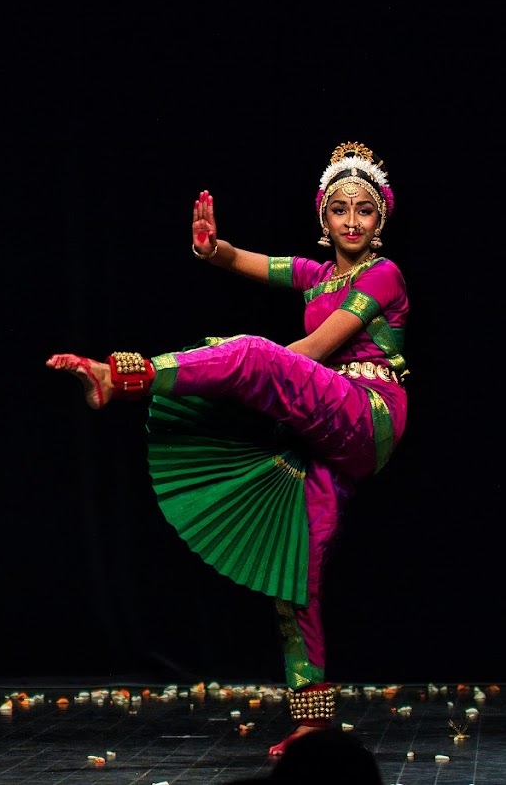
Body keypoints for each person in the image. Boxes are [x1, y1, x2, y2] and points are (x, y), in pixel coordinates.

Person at [46, 141, 408, 758]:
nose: (352, 222)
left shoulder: (384, 274)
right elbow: (253, 263)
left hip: (367, 414)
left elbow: (318, 349)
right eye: (340, 209)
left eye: (365, 212)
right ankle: (312, 721)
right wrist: (213, 251)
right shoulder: (317, 274)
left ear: (381, 221)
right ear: (323, 217)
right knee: (298, 568)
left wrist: (250, 375)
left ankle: (120, 377)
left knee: (251, 353)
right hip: (320, 425)